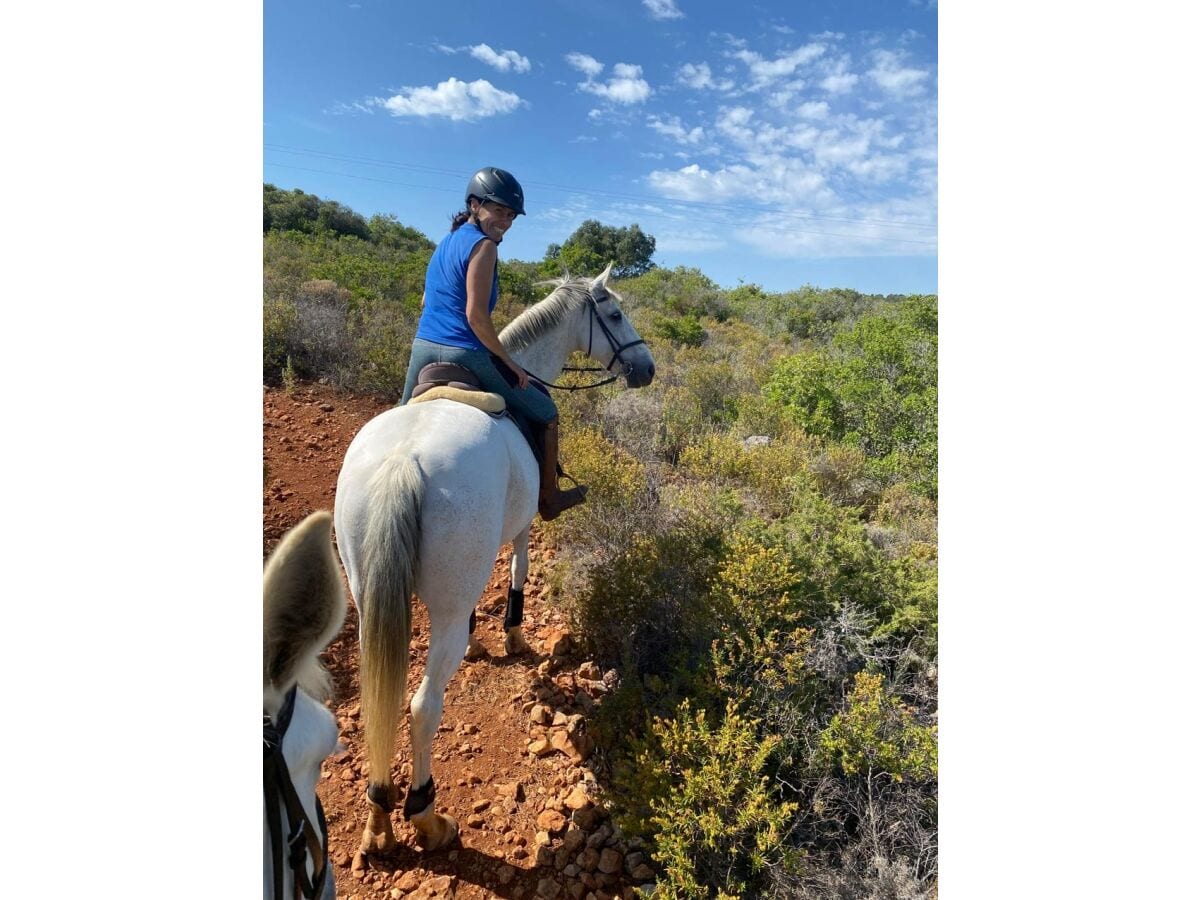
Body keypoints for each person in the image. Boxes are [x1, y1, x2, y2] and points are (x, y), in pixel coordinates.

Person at [400, 166, 587, 521]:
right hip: (466, 352)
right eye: (499, 210)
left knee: (401, 414)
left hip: (423, 348)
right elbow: (476, 317)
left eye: (511, 215)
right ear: (474, 204)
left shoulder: (445, 244)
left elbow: (426, 300)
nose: (506, 221)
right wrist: (512, 364)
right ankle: (550, 498)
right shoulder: (484, 247)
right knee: (546, 412)